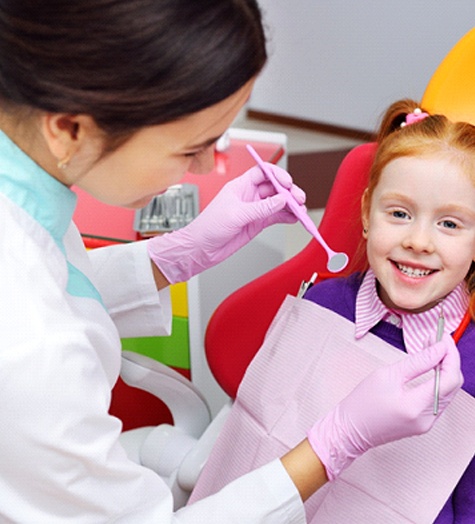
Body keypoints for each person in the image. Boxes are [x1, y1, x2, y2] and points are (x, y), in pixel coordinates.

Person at [0, 0, 462, 520]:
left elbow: (56, 284)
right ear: (69, 128)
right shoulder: (28, 347)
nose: (203, 165)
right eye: (191, 146)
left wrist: (178, 254)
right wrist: (334, 443)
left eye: (450, 223)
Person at [189, 99, 474, 522]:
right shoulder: (321, 307)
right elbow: (258, 435)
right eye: (398, 213)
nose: (419, 240)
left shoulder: (469, 364)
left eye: (449, 223)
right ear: (365, 214)